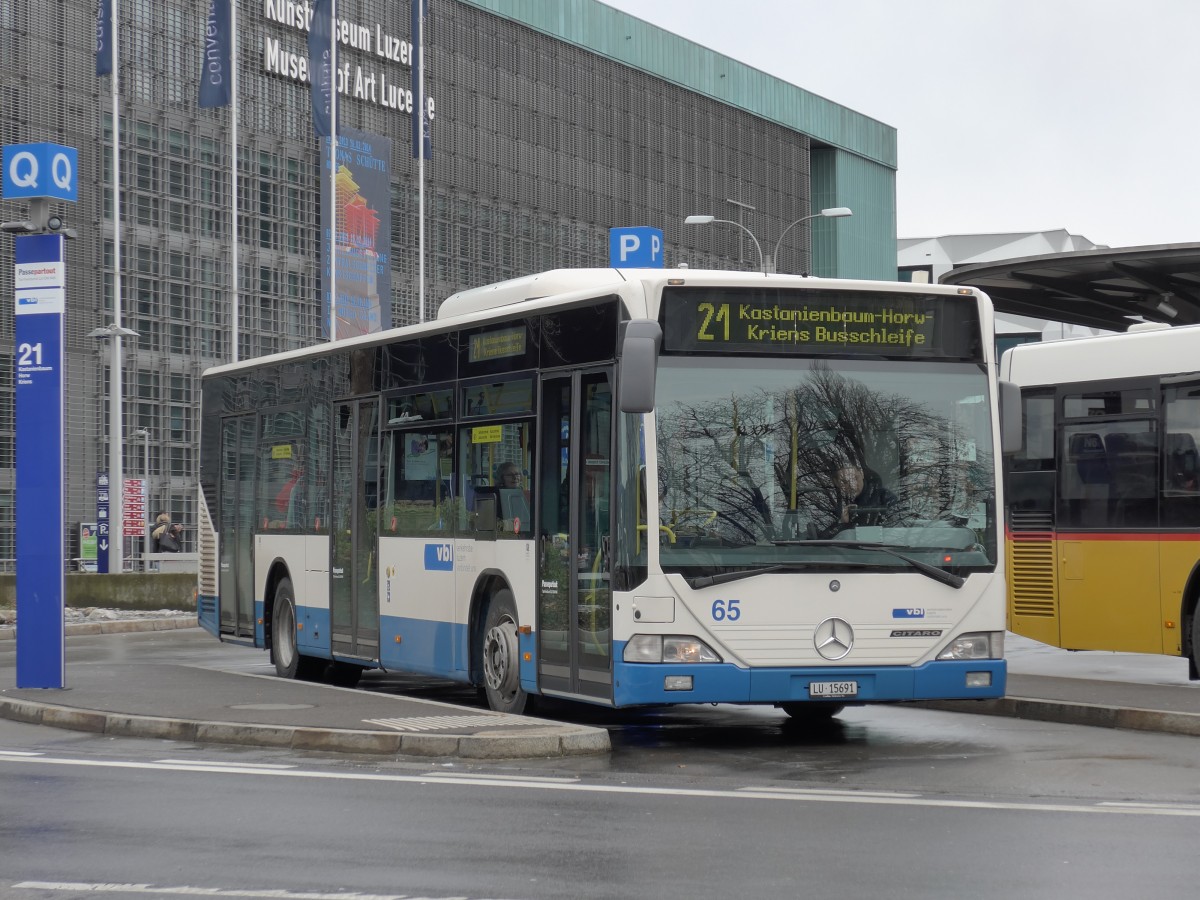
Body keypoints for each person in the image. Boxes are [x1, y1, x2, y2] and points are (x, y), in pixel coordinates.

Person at [823, 462, 899, 536]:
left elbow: (895, 532)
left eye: (855, 478)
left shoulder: (884, 497)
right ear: (837, 484)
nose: (852, 485)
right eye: (845, 482)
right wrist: (841, 522)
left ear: (862, 474)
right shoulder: (830, 504)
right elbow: (820, 541)